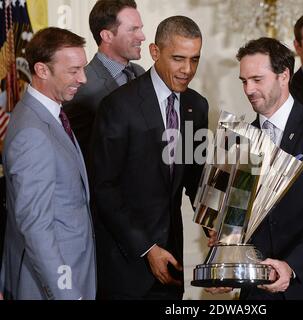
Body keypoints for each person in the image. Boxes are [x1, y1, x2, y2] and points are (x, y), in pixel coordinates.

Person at [208, 37, 303, 300]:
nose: (248, 89)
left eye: (257, 79)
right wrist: (224, 261)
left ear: (284, 76)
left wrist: (291, 266)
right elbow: (230, 215)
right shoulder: (237, 138)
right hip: (259, 291)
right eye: (244, 81)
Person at [92, 16, 208, 300]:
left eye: (195, 59)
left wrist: (214, 224)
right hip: (126, 262)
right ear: (155, 52)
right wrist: (147, 248)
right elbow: (103, 187)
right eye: (178, 59)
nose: (187, 70)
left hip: (172, 262)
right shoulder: (118, 106)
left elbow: (195, 178)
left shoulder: (196, 105)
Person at [0, 27, 96, 300]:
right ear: (42, 70)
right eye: (74, 70)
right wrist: (67, 293)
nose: (84, 78)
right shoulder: (33, 132)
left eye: (83, 68)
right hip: (53, 285)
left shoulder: (48, 114)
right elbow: (36, 227)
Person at [63, 0, 146, 165]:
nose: (142, 36)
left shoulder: (140, 73)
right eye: (133, 29)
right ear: (107, 36)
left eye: (140, 28)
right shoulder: (80, 86)